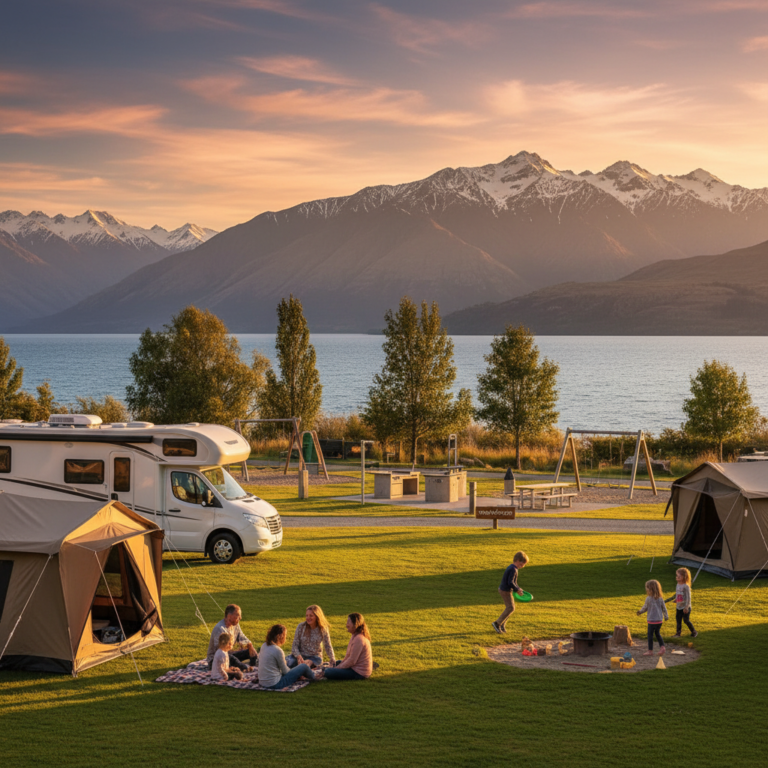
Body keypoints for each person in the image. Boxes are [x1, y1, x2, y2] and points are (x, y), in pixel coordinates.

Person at [258, 624, 318, 690]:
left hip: (262, 682)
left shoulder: (264, 645)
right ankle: (314, 677)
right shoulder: (277, 650)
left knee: (290, 662)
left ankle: (304, 673)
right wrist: (297, 672)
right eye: (285, 635)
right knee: (304, 666)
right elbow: (285, 671)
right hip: (276, 684)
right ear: (280, 636)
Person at [206, 604, 257, 672]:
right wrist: (235, 651)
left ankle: (252, 666)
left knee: (251, 651)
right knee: (233, 659)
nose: (240, 618)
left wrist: (249, 644)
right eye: (238, 615)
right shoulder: (220, 629)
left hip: (229, 654)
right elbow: (220, 651)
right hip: (216, 660)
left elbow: (241, 637)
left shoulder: (235, 625)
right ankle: (245, 668)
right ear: (229, 616)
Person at [323, 613, 372, 681]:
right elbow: (348, 656)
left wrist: (337, 668)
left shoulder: (359, 639)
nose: (346, 625)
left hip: (359, 673)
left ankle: (327, 671)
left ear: (355, 624)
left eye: (348, 622)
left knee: (328, 672)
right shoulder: (354, 636)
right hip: (353, 667)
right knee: (337, 662)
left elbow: (352, 661)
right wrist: (340, 664)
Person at [287, 604, 336, 669]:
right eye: (307, 615)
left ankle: (304, 669)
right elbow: (294, 646)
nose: (308, 618)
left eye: (311, 616)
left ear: (317, 616)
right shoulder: (301, 627)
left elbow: (327, 645)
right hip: (300, 655)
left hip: (314, 657)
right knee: (288, 662)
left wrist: (332, 658)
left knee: (310, 663)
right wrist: (299, 657)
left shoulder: (323, 629)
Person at [492, 551, 529, 635]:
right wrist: (517, 589)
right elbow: (510, 582)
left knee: (510, 608)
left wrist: (518, 588)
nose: (523, 566)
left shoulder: (512, 567)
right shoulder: (513, 569)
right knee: (510, 608)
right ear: (519, 561)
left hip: (505, 589)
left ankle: (502, 625)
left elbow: (514, 582)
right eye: (524, 563)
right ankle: (497, 623)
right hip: (505, 590)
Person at [637, 579, 669, 656]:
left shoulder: (648, 598)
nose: (646, 590)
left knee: (650, 635)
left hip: (651, 620)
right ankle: (662, 647)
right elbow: (664, 608)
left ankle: (650, 651)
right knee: (657, 633)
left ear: (651, 589)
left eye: (647, 588)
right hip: (659, 621)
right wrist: (666, 616)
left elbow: (645, 607)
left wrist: (640, 611)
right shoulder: (660, 598)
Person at [665, 567, 698, 638]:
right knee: (678, 620)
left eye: (679, 576)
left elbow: (688, 598)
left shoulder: (686, 587)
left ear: (684, 577)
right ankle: (678, 633)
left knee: (686, 620)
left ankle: (694, 631)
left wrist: (686, 607)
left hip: (686, 607)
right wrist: (670, 600)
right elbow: (677, 594)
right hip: (679, 606)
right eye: (676, 576)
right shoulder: (678, 585)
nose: (677, 577)